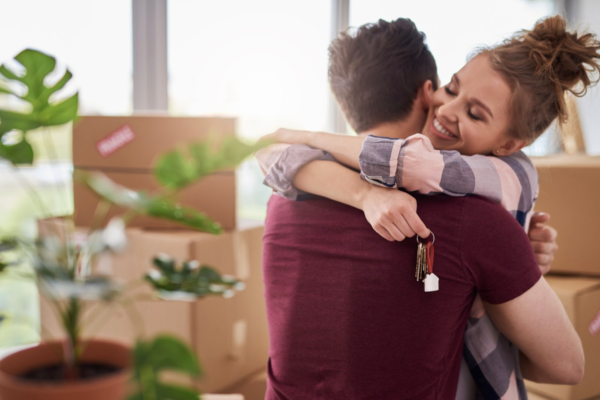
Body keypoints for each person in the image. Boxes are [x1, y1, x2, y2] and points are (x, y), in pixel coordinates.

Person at [261, 16, 590, 399]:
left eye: (475, 112)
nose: (448, 110)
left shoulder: (284, 197)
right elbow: (566, 367)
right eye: (450, 89)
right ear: (428, 91)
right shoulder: (479, 223)